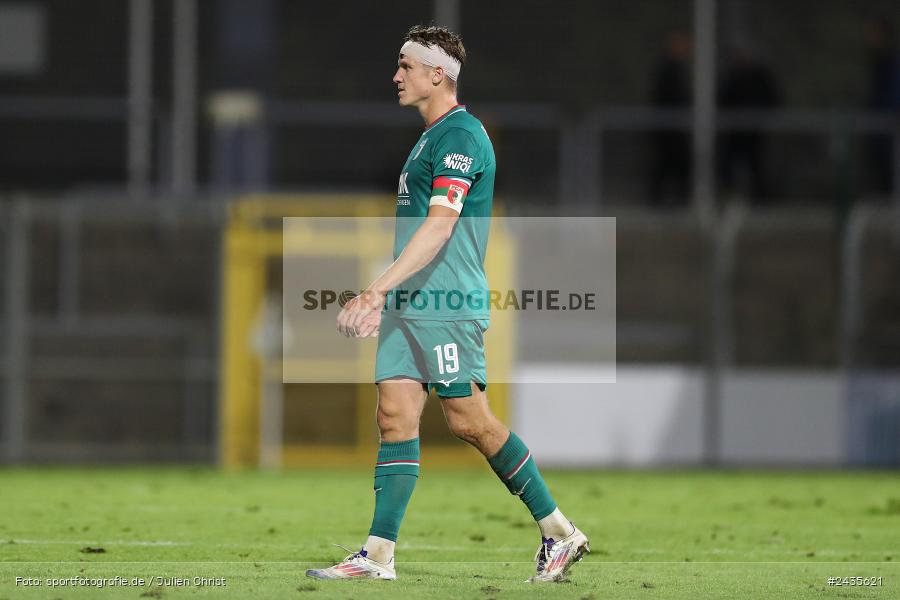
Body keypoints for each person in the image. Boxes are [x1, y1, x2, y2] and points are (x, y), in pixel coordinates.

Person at [305, 24, 589, 583]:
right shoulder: (430, 137)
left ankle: (559, 531)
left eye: (406, 65)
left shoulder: (461, 135)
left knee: (469, 420)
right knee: (393, 416)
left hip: (445, 303)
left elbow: (439, 228)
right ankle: (378, 557)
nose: (396, 75)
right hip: (410, 304)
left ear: (438, 75)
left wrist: (374, 290)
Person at [648, 30, 692, 207]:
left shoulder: (678, 70)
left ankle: (677, 199)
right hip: (669, 127)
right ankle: (660, 200)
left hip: (675, 126)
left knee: (676, 165)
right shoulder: (668, 70)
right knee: (667, 164)